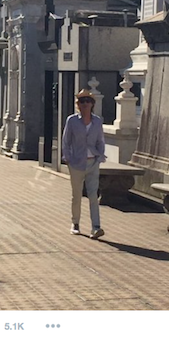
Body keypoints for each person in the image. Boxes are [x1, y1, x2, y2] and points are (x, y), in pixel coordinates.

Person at [62, 89, 106, 239]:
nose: (85, 104)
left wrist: (99, 156)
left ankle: (96, 227)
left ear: (92, 104)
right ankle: (75, 223)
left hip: (93, 162)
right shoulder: (72, 121)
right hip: (76, 163)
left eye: (88, 101)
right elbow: (66, 141)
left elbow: (100, 140)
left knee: (93, 195)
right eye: (82, 101)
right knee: (77, 195)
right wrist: (68, 158)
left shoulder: (97, 121)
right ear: (78, 105)